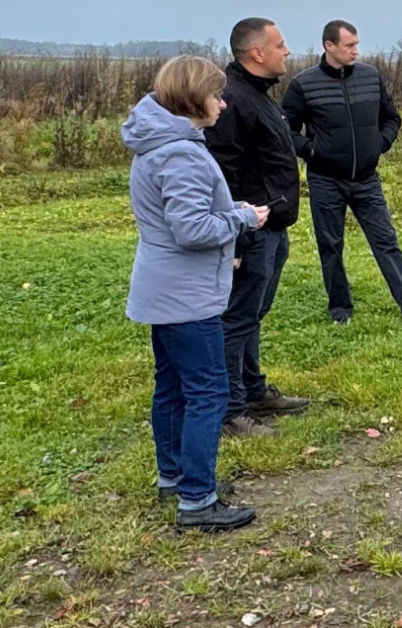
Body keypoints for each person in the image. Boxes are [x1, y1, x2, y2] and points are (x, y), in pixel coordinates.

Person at [122, 55, 265, 532]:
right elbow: (190, 229)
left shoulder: (159, 143)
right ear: (192, 99)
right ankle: (198, 500)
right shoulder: (180, 152)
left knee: (173, 386)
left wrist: (229, 206)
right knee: (207, 392)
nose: (223, 104)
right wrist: (243, 219)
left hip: (163, 288)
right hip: (187, 294)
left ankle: (175, 477)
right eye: (216, 95)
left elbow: (182, 214)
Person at [281, 20, 402, 328]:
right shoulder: (304, 84)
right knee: (331, 244)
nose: (356, 50)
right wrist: (313, 151)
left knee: (386, 241)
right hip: (325, 180)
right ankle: (340, 309)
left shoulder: (371, 77)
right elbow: (285, 130)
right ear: (329, 46)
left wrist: (380, 144)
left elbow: (391, 117)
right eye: (349, 45)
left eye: (357, 44)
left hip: (367, 179)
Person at [204, 18, 310, 438]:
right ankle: (232, 411)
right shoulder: (233, 100)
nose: (287, 52)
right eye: (281, 45)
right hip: (250, 230)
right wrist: (236, 235)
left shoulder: (260, 96)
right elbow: (224, 174)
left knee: (252, 315)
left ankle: (253, 388)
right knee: (237, 318)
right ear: (257, 53)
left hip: (272, 225)